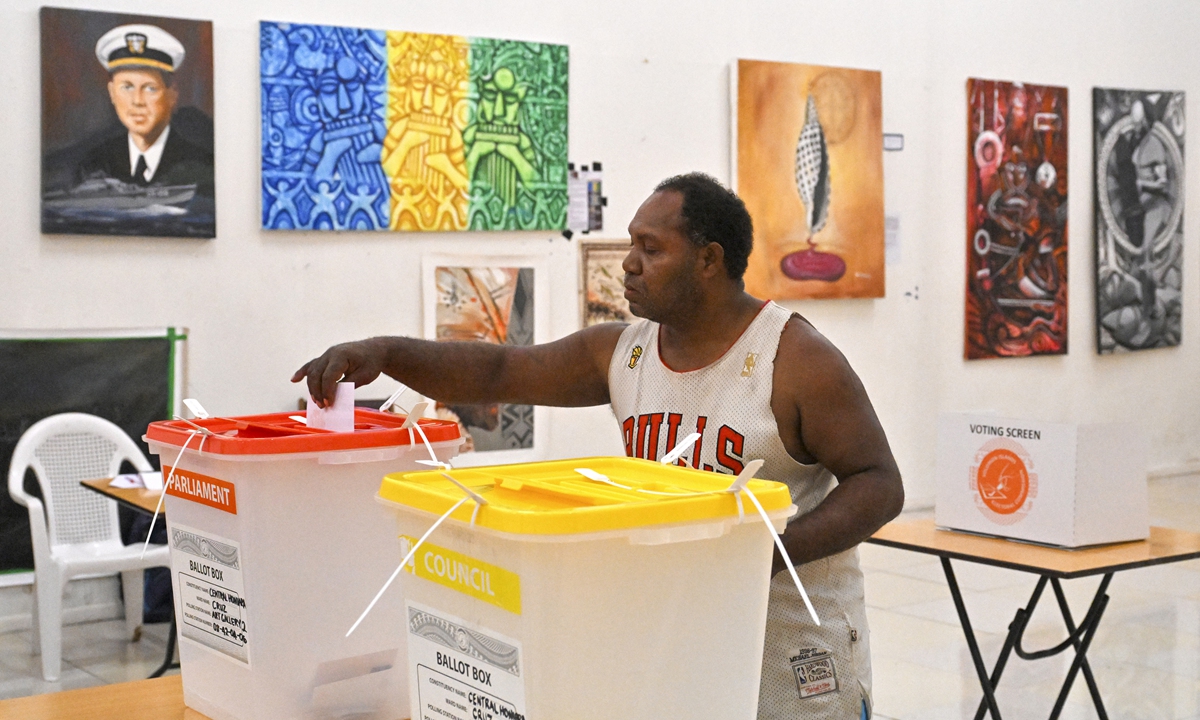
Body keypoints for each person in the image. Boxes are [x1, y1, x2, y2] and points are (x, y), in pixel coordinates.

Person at [294, 173, 904, 719]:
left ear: (709, 259)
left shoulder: (796, 358)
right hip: (679, 622)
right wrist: (385, 353)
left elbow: (880, 483)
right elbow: (500, 372)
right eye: (631, 245)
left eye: (651, 248)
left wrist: (756, 552)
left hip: (789, 636)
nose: (628, 265)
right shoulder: (624, 351)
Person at [78, 24, 213, 195]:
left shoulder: (200, 163)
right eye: (127, 87)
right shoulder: (94, 164)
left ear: (172, 95)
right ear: (112, 93)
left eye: (150, 88)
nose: (137, 101)